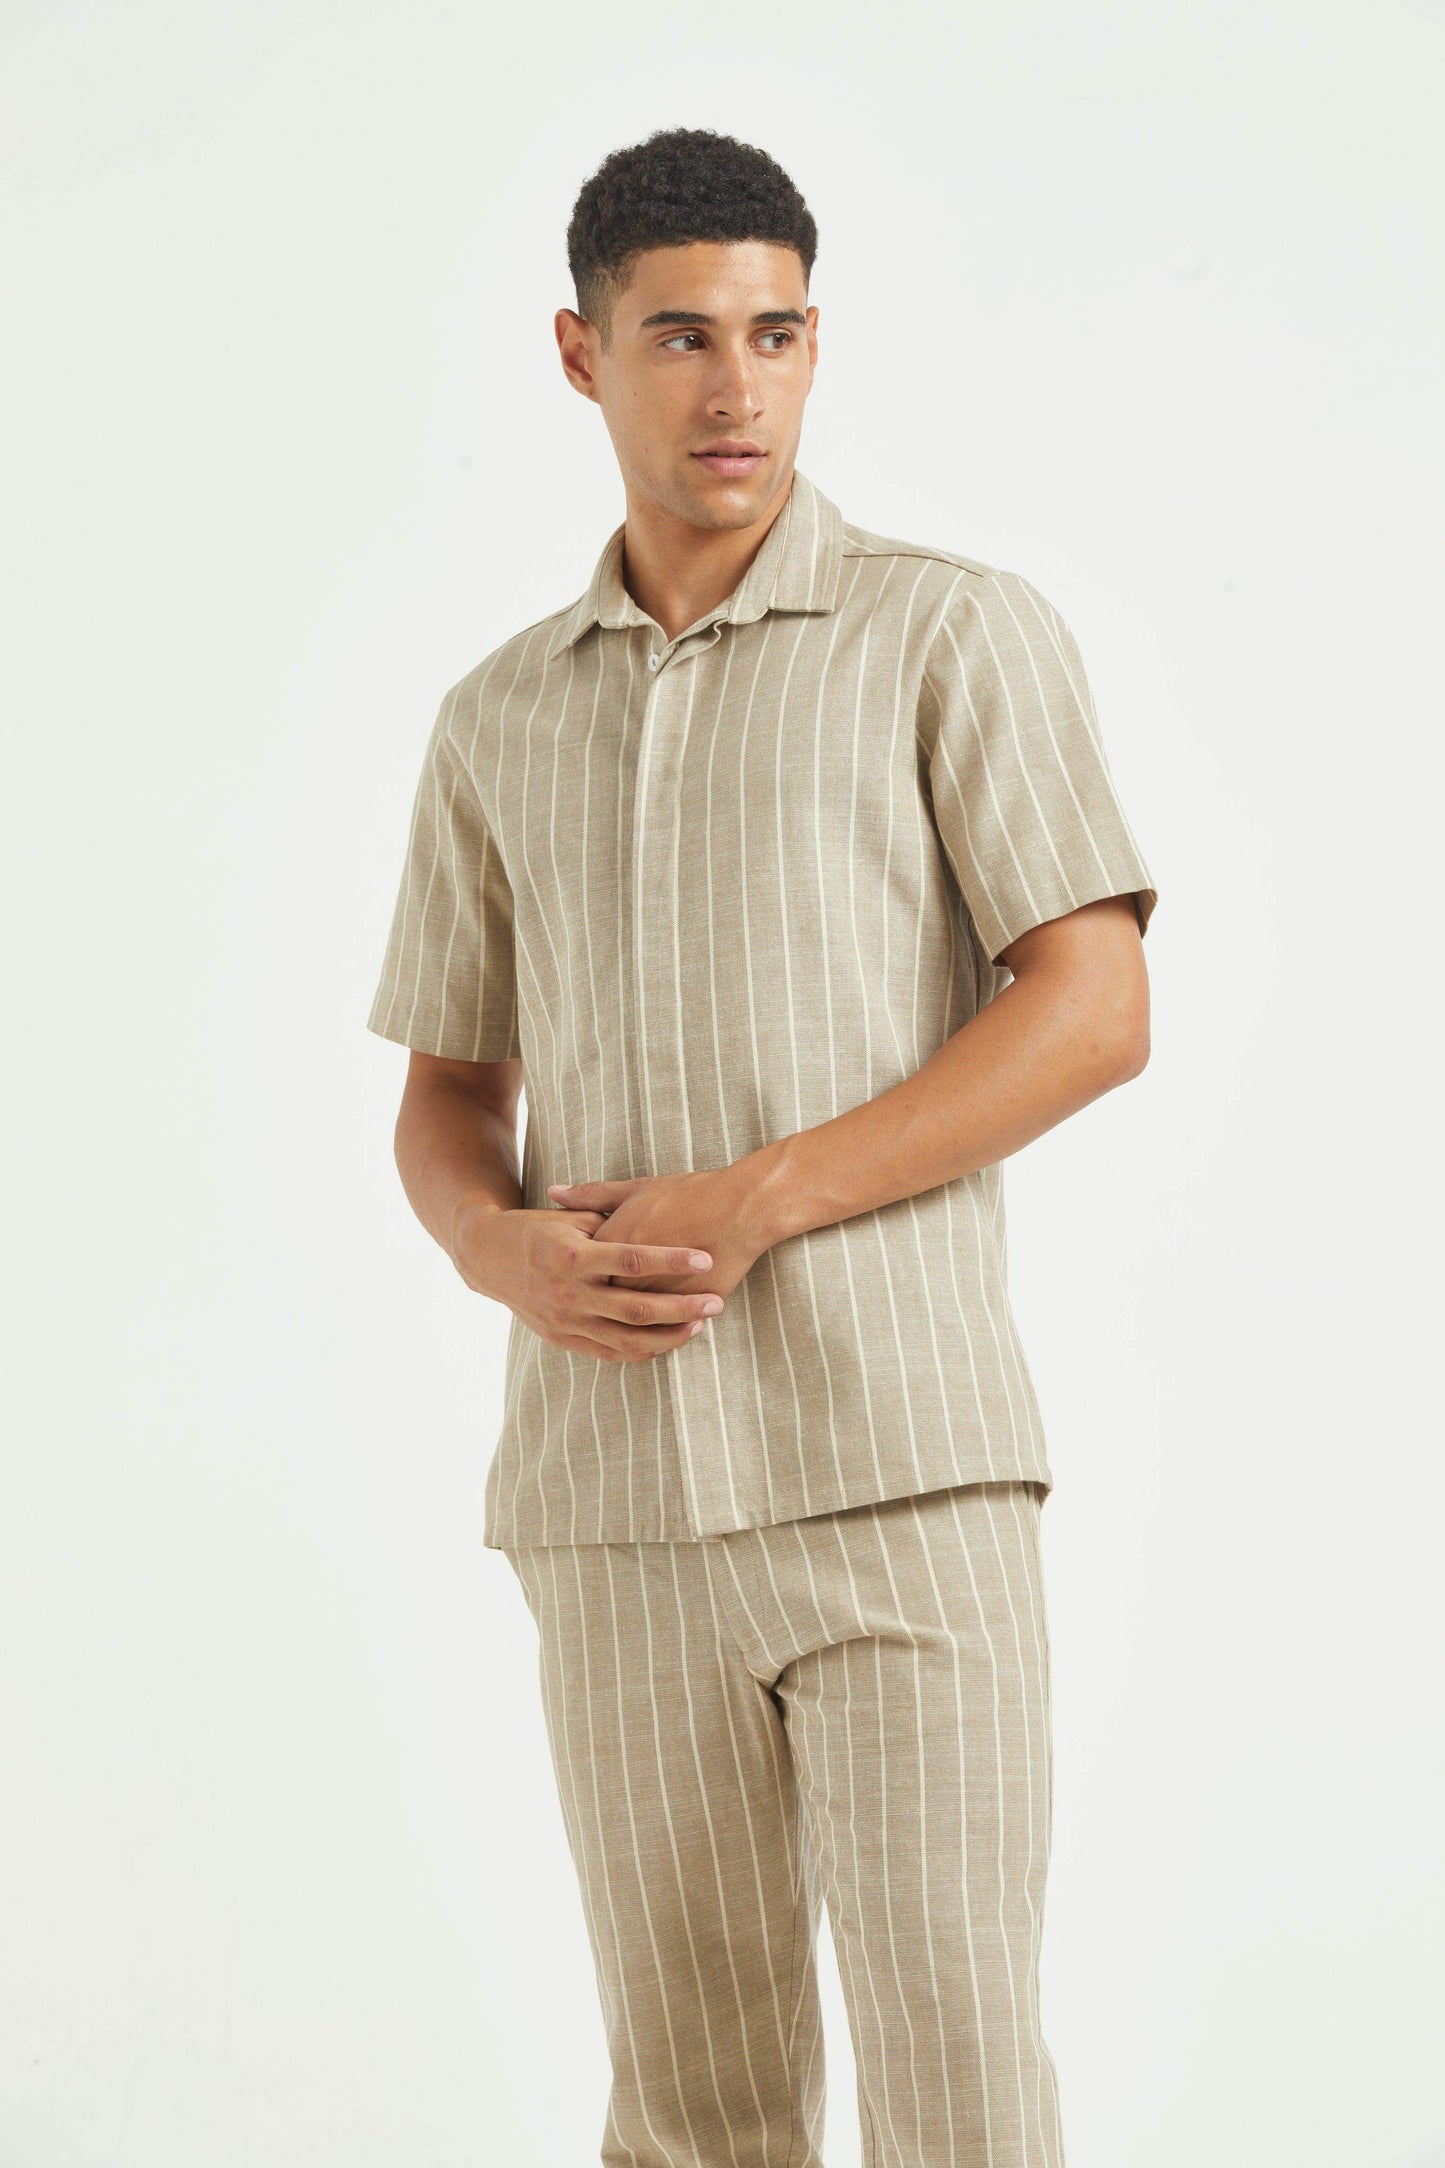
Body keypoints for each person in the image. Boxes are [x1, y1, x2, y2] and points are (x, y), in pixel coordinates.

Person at [366, 124, 1158, 2168]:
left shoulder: (950, 634)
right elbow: (449, 1094)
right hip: (612, 1500)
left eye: (777, 333)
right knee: (690, 2107)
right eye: (682, 337)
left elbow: (1093, 1007)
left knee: (958, 2079)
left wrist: (758, 1196)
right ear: (580, 353)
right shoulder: (497, 717)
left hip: (901, 1470)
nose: (737, 387)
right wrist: (497, 1248)